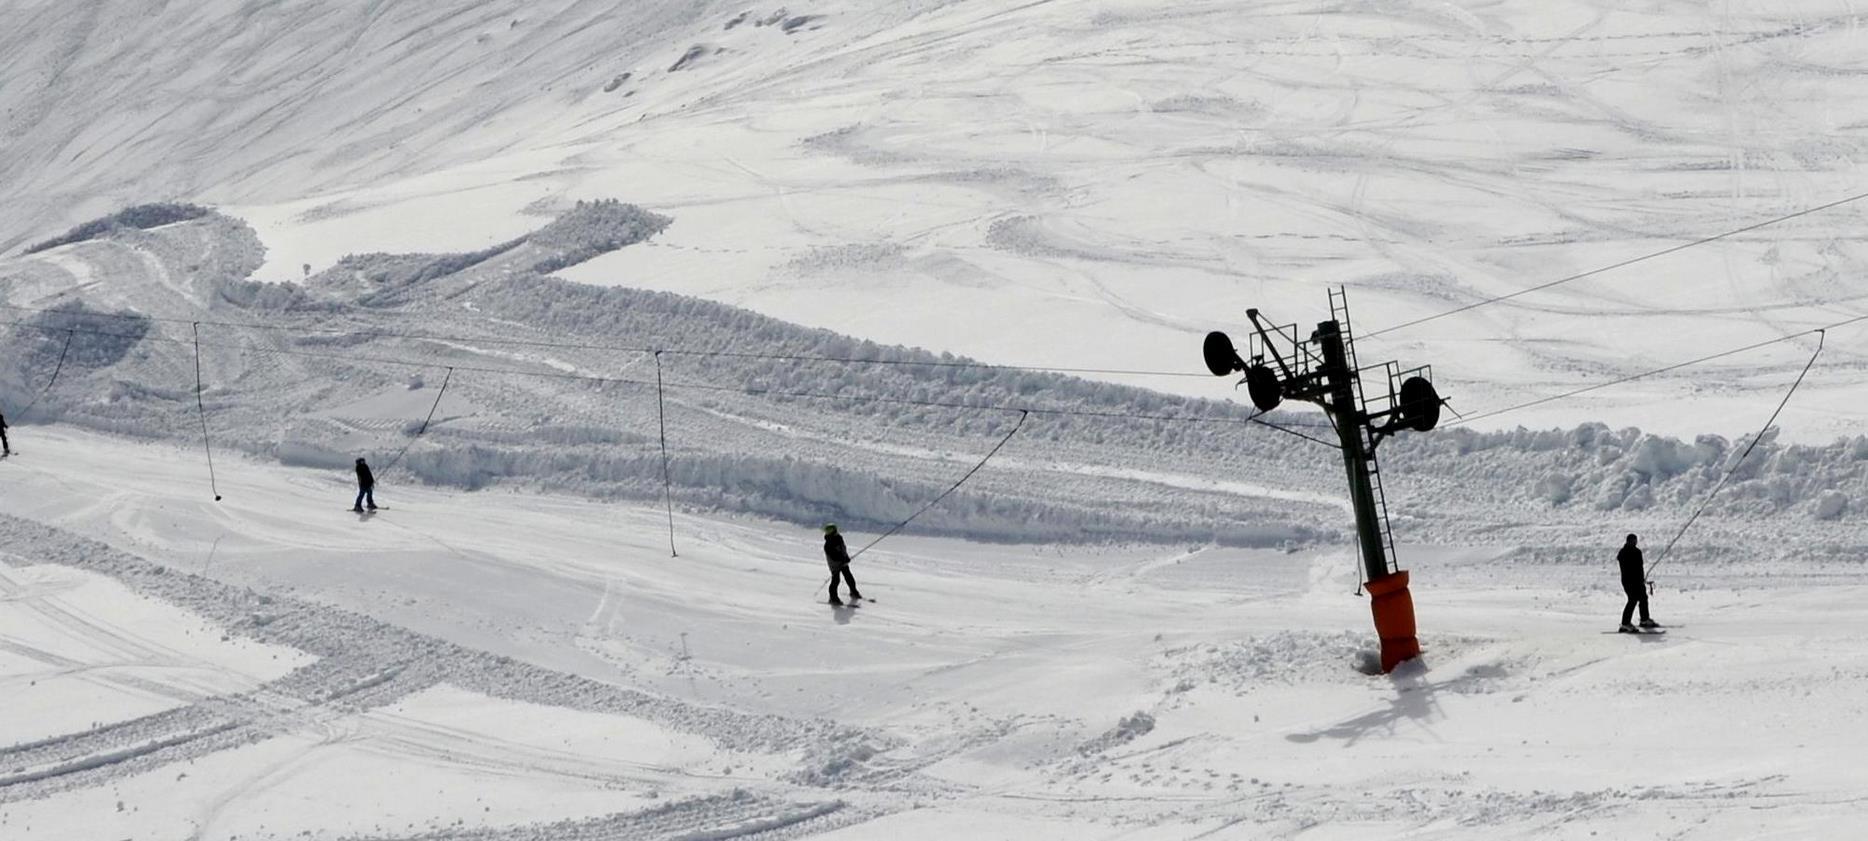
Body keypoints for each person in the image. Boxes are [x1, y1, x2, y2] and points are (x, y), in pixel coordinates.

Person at [1617, 533, 1658, 632]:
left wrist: (1641, 578)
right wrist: (1637, 577)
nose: (1635, 542)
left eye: (1635, 540)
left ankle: (1644, 619)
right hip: (1629, 581)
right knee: (1632, 600)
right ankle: (1625, 623)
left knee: (1643, 598)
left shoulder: (1636, 552)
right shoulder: (1624, 553)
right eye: (1633, 540)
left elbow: (1639, 567)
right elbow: (1630, 567)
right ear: (1629, 541)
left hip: (1638, 580)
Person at [823, 524, 862, 605]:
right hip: (834, 564)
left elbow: (843, 549)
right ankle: (833, 597)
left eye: (829, 531)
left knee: (848, 576)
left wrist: (846, 557)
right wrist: (843, 559)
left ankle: (853, 591)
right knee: (836, 580)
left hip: (843, 561)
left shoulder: (839, 538)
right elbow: (834, 556)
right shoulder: (828, 544)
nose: (827, 533)